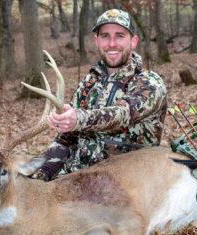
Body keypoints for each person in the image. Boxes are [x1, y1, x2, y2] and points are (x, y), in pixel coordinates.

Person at [32, 9, 167, 181]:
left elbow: (122, 114)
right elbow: (66, 140)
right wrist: (43, 173)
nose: (112, 44)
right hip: (78, 180)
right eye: (105, 36)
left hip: (128, 185)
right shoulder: (89, 84)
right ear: (97, 41)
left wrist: (78, 118)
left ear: (133, 42)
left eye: (119, 36)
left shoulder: (149, 83)